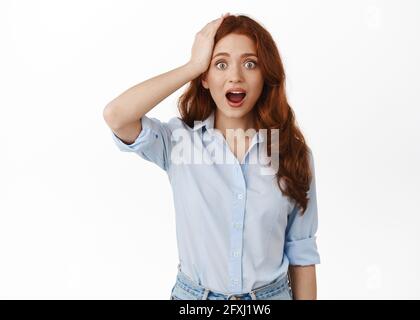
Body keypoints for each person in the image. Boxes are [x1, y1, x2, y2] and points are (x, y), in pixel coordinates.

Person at [103, 13, 320, 300]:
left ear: (265, 75)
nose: (235, 76)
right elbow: (116, 116)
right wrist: (192, 65)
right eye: (220, 64)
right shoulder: (179, 141)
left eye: (250, 63)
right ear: (205, 78)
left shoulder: (293, 154)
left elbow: (301, 250)